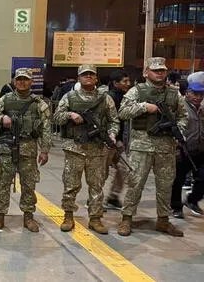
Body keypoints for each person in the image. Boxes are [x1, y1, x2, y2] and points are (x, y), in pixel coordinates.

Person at [117, 57, 187, 237]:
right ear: (146, 72)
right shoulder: (136, 91)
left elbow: (183, 116)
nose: (160, 73)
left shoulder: (174, 94)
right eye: (156, 70)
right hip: (141, 146)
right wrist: (143, 107)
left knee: (165, 185)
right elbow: (123, 112)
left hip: (166, 147)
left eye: (162, 70)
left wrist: (179, 130)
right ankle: (126, 218)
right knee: (135, 183)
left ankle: (163, 220)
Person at [53, 64, 119, 235]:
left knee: (96, 186)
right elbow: (57, 117)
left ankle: (95, 218)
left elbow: (114, 121)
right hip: (74, 149)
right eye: (84, 75)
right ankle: (68, 216)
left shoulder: (105, 99)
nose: (88, 77)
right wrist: (70, 115)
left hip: (97, 149)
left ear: (96, 78)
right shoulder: (70, 97)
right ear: (79, 78)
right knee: (71, 185)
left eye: (91, 74)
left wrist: (112, 134)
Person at [0, 68, 52, 232]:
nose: (22, 82)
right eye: (19, 79)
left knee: (28, 184)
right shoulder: (5, 100)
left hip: (28, 148)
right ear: (14, 81)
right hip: (7, 148)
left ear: (31, 82)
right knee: (3, 182)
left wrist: (44, 150)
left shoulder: (39, 104)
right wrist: (1, 118)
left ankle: (28, 216)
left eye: (25, 79)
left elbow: (46, 128)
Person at [171, 75, 204, 219]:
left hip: (200, 150)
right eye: (195, 94)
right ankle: (176, 207)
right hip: (183, 150)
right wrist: (176, 147)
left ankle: (192, 200)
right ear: (188, 93)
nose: (198, 97)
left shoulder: (201, 110)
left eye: (201, 94)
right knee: (178, 180)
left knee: (202, 177)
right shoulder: (180, 107)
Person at [103, 70, 131, 210]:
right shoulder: (109, 98)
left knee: (122, 169)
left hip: (118, 141)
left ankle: (113, 197)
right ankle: (94, 199)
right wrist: (112, 137)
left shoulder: (123, 97)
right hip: (109, 142)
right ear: (115, 83)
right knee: (102, 172)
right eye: (125, 81)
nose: (128, 84)